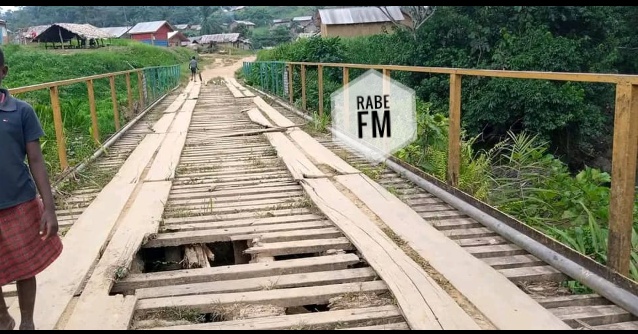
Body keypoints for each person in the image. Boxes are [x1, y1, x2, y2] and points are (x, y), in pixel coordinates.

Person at [0, 47, 62, 330]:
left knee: (25, 266)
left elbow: (36, 160)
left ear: (3, 72)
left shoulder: (21, 112)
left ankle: (27, 321)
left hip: (20, 202)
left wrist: (48, 208)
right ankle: (3, 318)